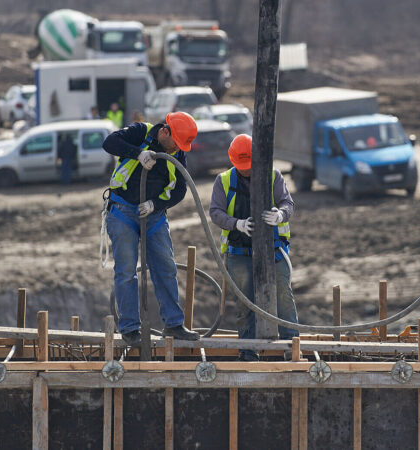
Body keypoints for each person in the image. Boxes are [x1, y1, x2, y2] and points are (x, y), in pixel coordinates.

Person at [102, 111, 200, 346]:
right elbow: (110, 143)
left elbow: (179, 190)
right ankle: (129, 329)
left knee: (165, 267)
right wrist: (138, 153)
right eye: (176, 143)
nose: (178, 149)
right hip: (122, 211)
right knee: (126, 271)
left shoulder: (177, 153)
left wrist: (156, 204)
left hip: (153, 215)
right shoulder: (140, 132)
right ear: (165, 132)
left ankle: (174, 325)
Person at [209, 134, 299, 361]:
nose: (246, 170)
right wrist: (236, 224)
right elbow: (215, 212)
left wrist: (280, 215)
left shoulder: (273, 175)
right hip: (239, 252)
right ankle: (247, 351)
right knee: (245, 302)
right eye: (243, 167)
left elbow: (288, 203)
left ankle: (291, 349)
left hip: (274, 250)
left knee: (283, 296)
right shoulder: (224, 180)